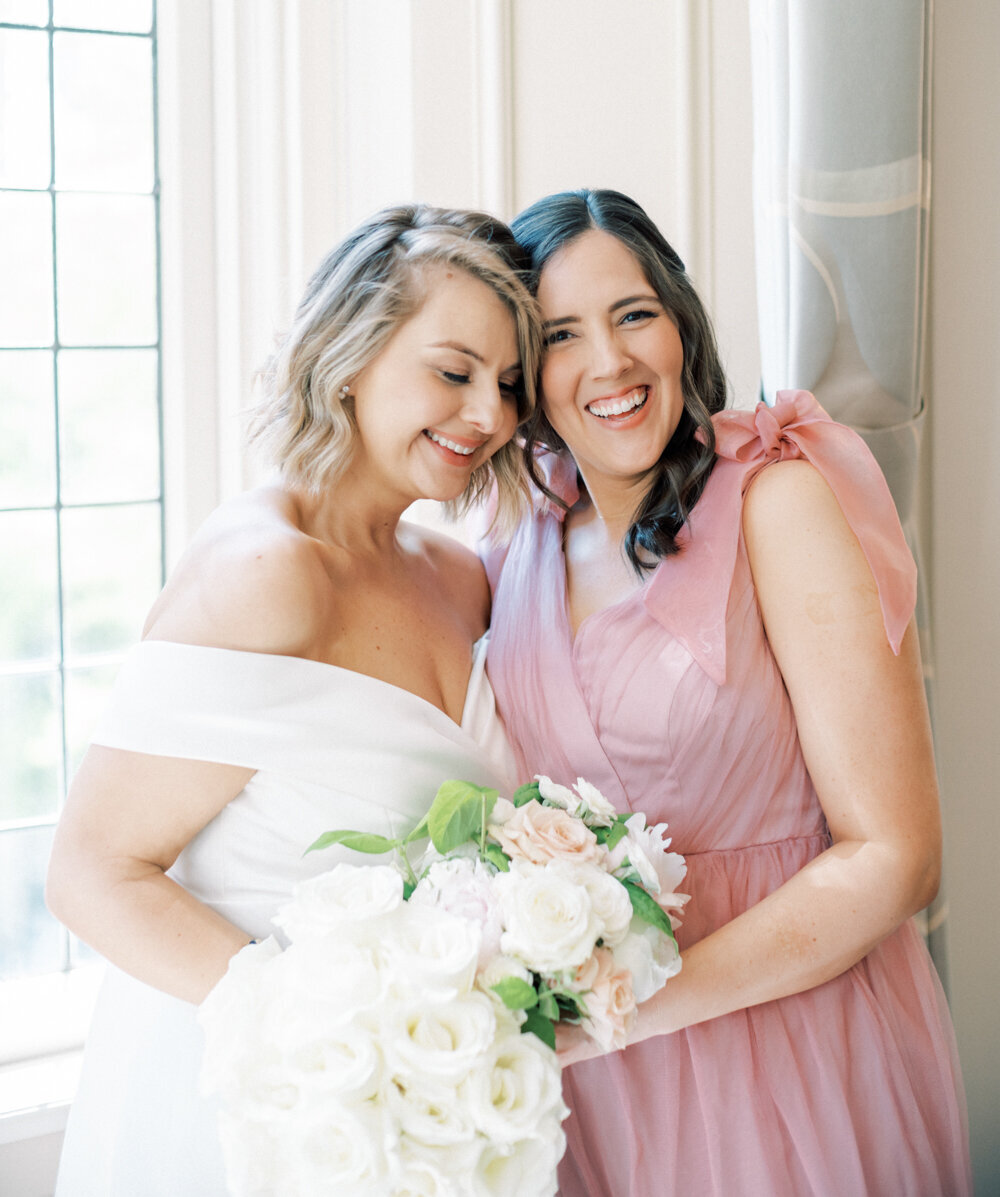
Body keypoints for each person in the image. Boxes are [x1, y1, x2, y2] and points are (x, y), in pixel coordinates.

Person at [483, 188, 971, 1196]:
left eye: (632, 315)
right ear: (524, 375)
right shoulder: (510, 551)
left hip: (789, 1045)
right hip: (596, 1084)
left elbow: (897, 854)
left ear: (679, 323)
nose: (610, 363)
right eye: (562, 334)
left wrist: (633, 1009)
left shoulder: (775, 501)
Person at [46, 203, 539, 1196]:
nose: (488, 413)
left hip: (434, 1110)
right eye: (453, 372)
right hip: (269, 1115)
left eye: (509, 384)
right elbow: (92, 871)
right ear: (348, 357)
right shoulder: (269, 576)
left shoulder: (461, 575)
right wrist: (338, 1035)